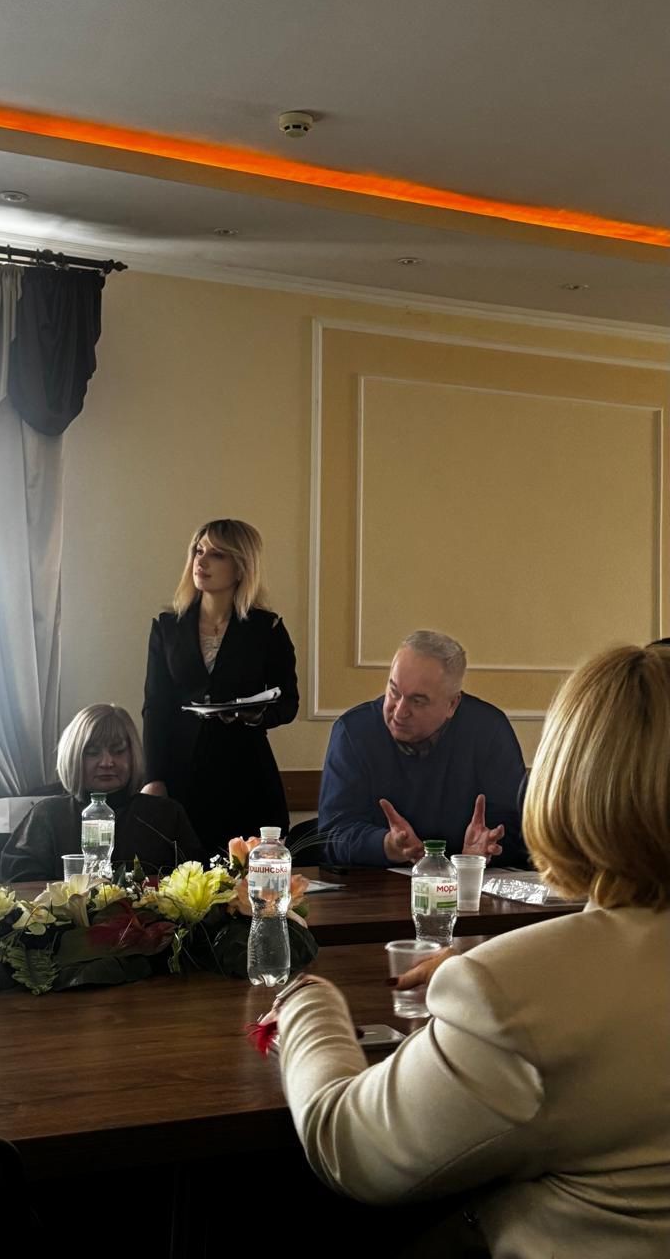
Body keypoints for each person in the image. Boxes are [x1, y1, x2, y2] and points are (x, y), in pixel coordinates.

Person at [268, 644, 670, 1256]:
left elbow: (347, 1145)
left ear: (565, 782)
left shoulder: (510, 992)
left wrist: (305, 999)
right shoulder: (518, 984)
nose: (399, 708)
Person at [141, 518, 299, 858]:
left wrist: (256, 715)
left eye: (217, 555)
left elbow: (288, 703)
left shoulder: (266, 629)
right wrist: (153, 777)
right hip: (182, 773)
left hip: (245, 775)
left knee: (246, 876)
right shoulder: (168, 627)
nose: (201, 562)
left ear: (241, 566)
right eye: (198, 551)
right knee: (181, 876)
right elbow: (155, 707)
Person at [318, 629, 527, 866]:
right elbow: (332, 835)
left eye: (417, 701)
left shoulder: (489, 730)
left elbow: (517, 830)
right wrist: (386, 845)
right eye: (394, 692)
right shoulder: (354, 731)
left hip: (471, 881)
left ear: (452, 704)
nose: (399, 712)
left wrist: (482, 852)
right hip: (377, 883)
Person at [0, 703, 201, 883]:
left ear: (133, 755)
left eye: (118, 750)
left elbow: (196, 879)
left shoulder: (166, 815)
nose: (107, 762)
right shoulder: (47, 815)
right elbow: (19, 882)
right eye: (92, 752)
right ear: (74, 756)